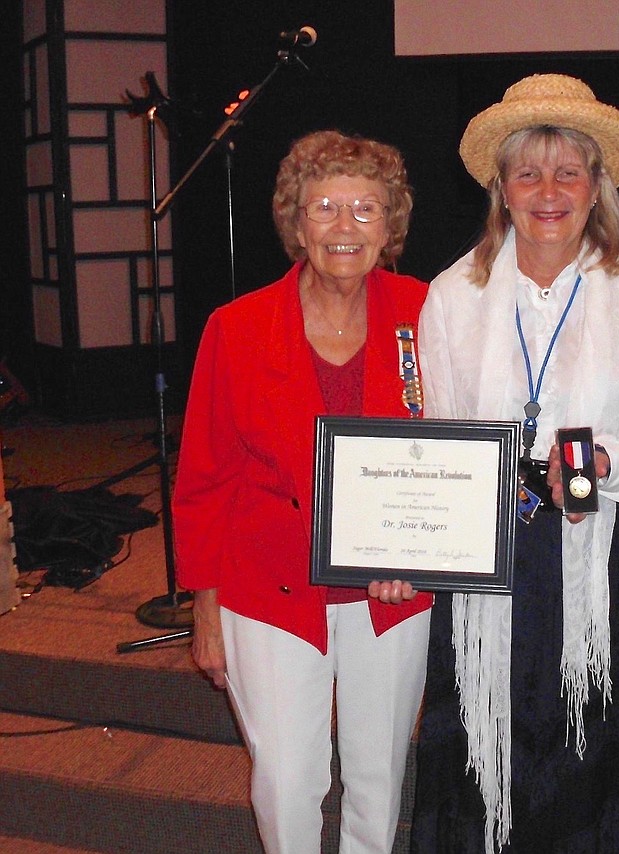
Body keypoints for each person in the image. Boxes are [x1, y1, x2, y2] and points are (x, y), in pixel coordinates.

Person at [410, 74, 619, 853]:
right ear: (502, 188)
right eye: (528, 172)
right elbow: (432, 428)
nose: (548, 191)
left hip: (586, 548)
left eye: (568, 172)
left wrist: (604, 459)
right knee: (477, 724)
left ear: (598, 187)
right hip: (484, 548)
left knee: (583, 725)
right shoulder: (452, 294)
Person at [172, 130, 433, 854]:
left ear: (391, 224)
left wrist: (427, 550)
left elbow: (457, 455)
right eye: (324, 207)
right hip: (270, 585)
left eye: (365, 209)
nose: (345, 227)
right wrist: (206, 605)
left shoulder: (430, 312)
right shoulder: (237, 328)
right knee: (288, 781)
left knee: (379, 778)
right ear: (295, 220)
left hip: (394, 590)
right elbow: (203, 478)